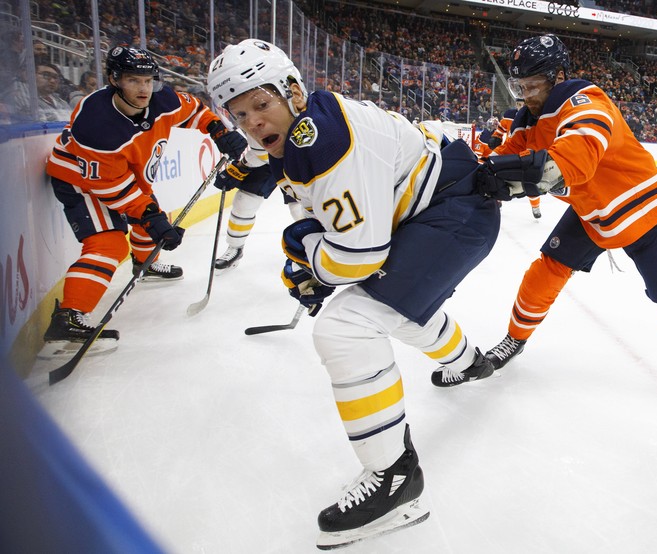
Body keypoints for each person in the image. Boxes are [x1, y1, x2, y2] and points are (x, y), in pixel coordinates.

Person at [207, 39, 500, 548]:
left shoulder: (324, 140)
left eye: (261, 103)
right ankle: (471, 361)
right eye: (240, 114)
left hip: (453, 215)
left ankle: (396, 481)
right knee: (394, 308)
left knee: (347, 325)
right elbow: (264, 151)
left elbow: (357, 257)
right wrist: (243, 166)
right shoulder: (294, 123)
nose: (254, 121)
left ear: (292, 92)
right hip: (435, 207)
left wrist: (304, 256)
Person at [444, 34, 657, 424]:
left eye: (532, 86)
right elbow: (493, 162)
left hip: (644, 213)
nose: (525, 95)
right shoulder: (530, 123)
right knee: (544, 272)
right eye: (519, 87)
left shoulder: (586, 102)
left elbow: (571, 163)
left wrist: (516, 177)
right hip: (592, 215)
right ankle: (515, 339)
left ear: (557, 77)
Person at [43, 46, 246, 354]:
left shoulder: (162, 99)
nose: (143, 89)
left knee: (149, 213)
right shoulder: (97, 124)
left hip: (122, 175)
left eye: (148, 80)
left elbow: (194, 111)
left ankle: (144, 264)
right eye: (133, 80)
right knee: (110, 242)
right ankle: (67, 317)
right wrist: (151, 216)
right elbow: (116, 190)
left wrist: (219, 131)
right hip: (81, 180)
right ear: (114, 80)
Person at [210, 134, 304, 271]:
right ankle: (235, 248)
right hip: (266, 156)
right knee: (244, 201)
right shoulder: (237, 115)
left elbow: (263, 153)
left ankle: (313, 249)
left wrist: (240, 166)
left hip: (295, 155)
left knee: (299, 209)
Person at [491, 97, 542, 218]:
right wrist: (496, 136)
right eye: (517, 104)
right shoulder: (509, 114)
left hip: (526, 153)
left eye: (521, 104)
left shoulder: (533, 116)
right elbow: (501, 127)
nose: (519, 106)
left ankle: (535, 207)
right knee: (496, 176)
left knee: (530, 183)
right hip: (509, 150)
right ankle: (497, 201)